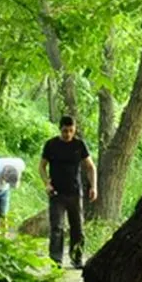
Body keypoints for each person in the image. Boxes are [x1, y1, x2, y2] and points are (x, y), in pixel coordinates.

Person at [41, 115, 97, 268]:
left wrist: (94, 187)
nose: (68, 134)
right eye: (65, 131)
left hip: (75, 192)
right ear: (60, 129)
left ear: (75, 130)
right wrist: (47, 183)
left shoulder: (79, 145)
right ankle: (55, 260)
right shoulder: (51, 145)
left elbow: (90, 167)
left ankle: (77, 259)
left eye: (71, 131)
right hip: (56, 193)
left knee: (77, 228)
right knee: (57, 227)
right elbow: (42, 166)